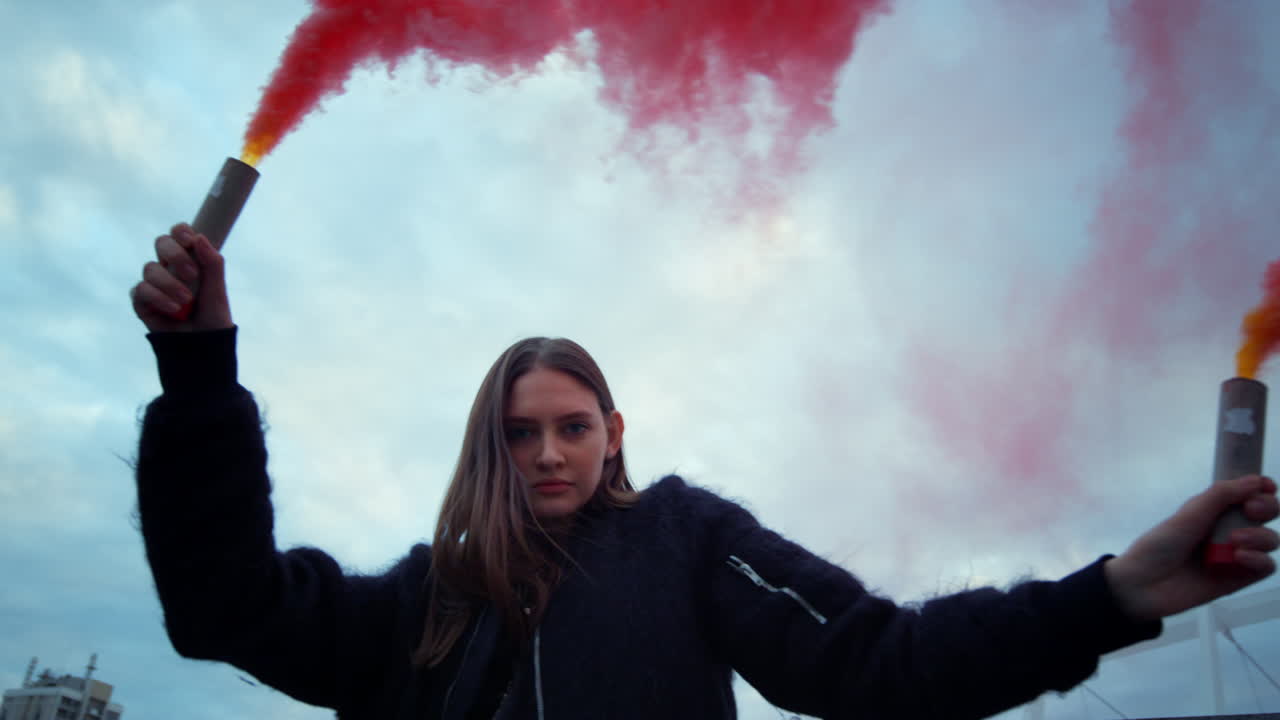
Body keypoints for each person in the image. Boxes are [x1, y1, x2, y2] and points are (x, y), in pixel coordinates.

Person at [131, 223, 1279, 720]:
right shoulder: (423, 599)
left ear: (613, 432)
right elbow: (222, 607)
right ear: (489, 447)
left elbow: (879, 663)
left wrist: (1112, 593)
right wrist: (197, 374)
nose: (547, 453)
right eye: (520, 434)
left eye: (571, 426)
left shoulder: (685, 539)